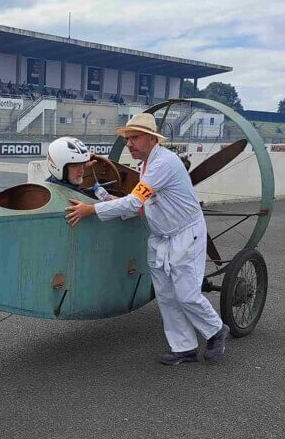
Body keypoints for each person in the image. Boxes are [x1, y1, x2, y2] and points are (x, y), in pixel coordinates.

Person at [64, 113, 229, 365]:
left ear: (152, 139)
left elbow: (134, 201)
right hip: (161, 236)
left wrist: (91, 210)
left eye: (135, 138)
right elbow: (139, 205)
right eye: (128, 139)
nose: (129, 144)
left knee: (186, 294)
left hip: (185, 233)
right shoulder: (146, 164)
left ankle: (216, 330)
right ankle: (183, 348)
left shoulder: (164, 163)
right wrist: (102, 195)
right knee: (166, 295)